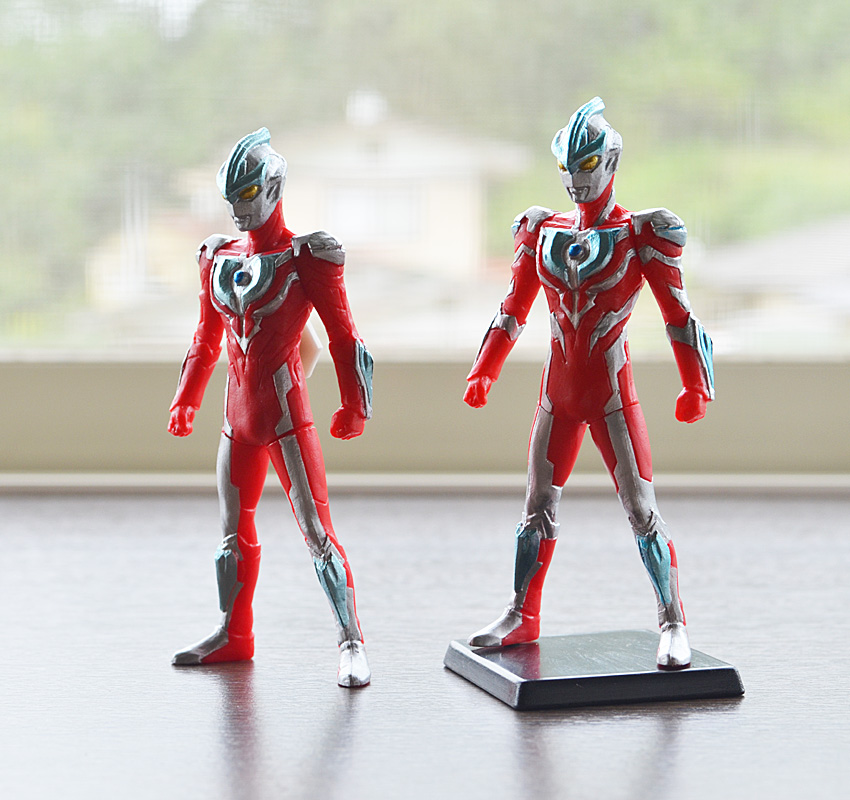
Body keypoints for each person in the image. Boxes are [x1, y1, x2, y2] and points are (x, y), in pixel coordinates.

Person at [464, 98, 714, 669]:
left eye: (588, 165)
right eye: (566, 168)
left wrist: (695, 384)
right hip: (557, 394)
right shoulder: (541, 230)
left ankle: (673, 621)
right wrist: (485, 369)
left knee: (641, 509)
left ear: (612, 161)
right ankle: (522, 614)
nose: (576, 179)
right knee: (536, 505)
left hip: (610, 396)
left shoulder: (640, 233)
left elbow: (678, 316)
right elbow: (512, 310)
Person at [168, 128, 373, 687]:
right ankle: (233, 634)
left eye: (249, 194)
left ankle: (352, 642)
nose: (240, 209)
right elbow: (206, 339)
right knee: (231, 535)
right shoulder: (218, 257)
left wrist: (355, 404)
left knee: (317, 532)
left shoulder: (306, 257)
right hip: (237, 420)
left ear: (275, 187)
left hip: (285, 418)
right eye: (232, 198)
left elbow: (343, 337)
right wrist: (186, 398)